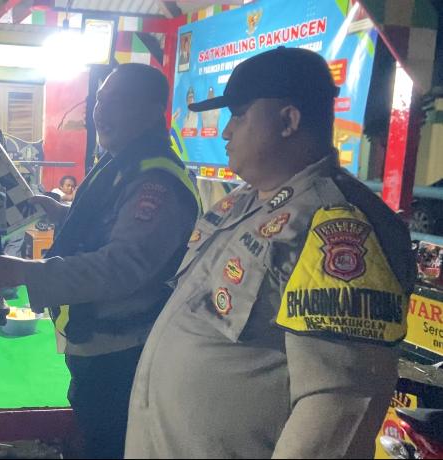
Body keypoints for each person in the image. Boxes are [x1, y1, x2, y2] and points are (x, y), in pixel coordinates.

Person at [125, 47, 415, 458]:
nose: (226, 132)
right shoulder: (244, 203)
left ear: (288, 121)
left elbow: (338, 404)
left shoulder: (339, 225)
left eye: (239, 115)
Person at [0, 63, 201, 459]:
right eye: (100, 100)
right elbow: (107, 224)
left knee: (110, 446)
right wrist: (61, 213)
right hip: (95, 346)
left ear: (152, 109)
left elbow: (120, 266)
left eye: (117, 101)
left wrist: (22, 270)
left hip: (123, 355)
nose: (101, 112)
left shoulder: (156, 180)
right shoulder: (121, 161)